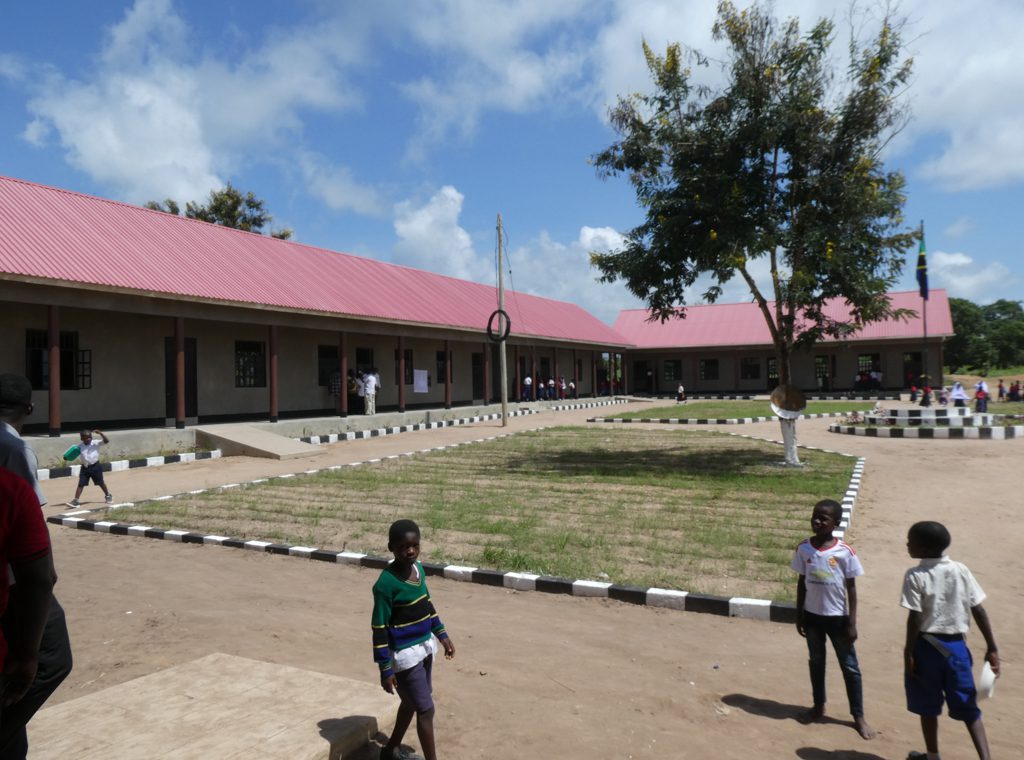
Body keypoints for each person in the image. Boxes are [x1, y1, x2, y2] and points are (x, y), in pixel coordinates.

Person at [0, 374, 73, 759]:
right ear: (29, 409)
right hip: (16, 581)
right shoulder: (14, 448)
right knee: (49, 660)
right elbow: (36, 557)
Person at [901, 521, 999, 760]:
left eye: (911, 541)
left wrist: (909, 652)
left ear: (924, 548)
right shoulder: (961, 569)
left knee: (927, 705)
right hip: (957, 650)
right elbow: (978, 609)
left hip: (926, 648)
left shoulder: (915, 575)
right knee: (968, 705)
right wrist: (992, 646)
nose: (907, 544)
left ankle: (933, 756)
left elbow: (915, 618)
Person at [792, 499, 875, 740]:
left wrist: (852, 622)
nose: (817, 521)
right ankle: (818, 705)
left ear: (835, 523)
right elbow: (801, 583)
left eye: (824, 518)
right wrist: (799, 614)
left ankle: (858, 716)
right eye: (815, 516)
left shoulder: (844, 551)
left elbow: (851, 588)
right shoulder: (803, 548)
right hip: (812, 617)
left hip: (838, 618)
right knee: (816, 662)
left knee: (850, 667)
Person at [372, 520, 455, 760]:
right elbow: (379, 628)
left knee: (410, 702)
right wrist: (385, 668)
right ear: (391, 548)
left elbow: (426, 604)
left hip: (425, 648)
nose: (410, 551)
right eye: (403, 547)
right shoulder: (385, 584)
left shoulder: (418, 569)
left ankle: (390, 751)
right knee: (426, 709)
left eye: (415, 545)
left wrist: (442, 634)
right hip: (405, 657)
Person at [70, 429, 112, 507]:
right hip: (85, 468)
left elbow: (106, 441)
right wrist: (66, 457)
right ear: (82, 439)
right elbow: (71, 455)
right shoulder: (79, 447)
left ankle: (108, 495)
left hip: (95, 467)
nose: (88, 439)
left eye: (90, 437)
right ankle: (76, 500)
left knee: (100, 483)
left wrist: (101, 433)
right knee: (81, 484)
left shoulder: (95, 443)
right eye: (86, 438)